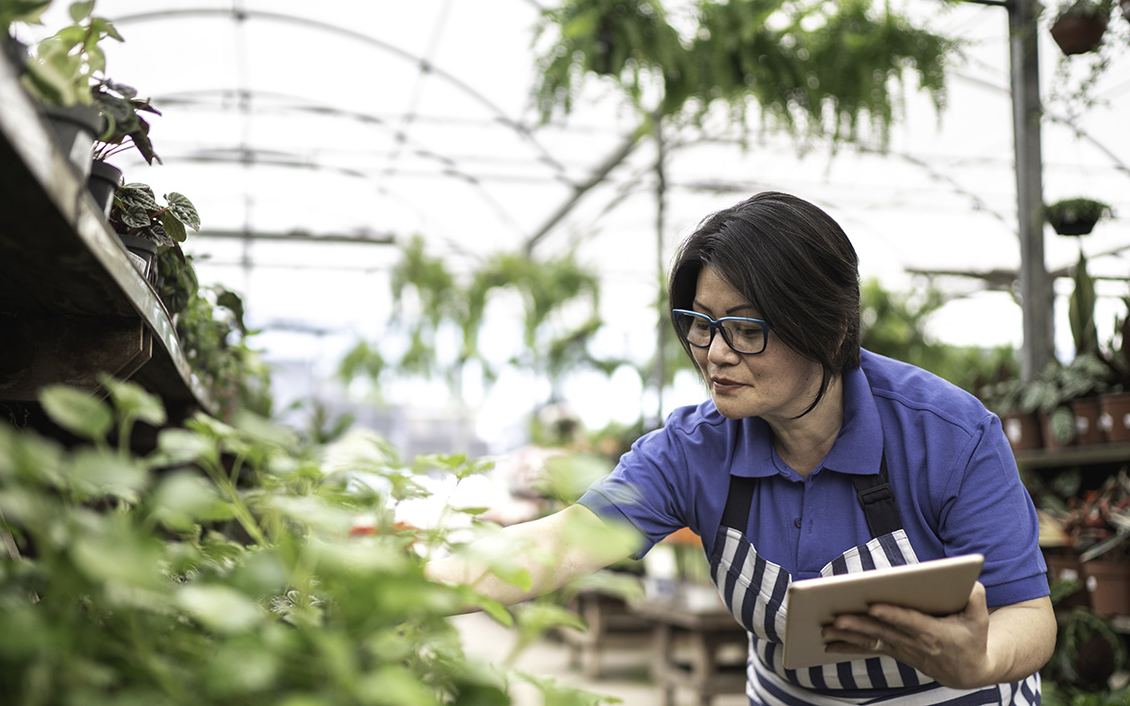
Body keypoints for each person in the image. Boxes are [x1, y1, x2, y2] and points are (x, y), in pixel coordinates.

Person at [426, 191, 1056, 706]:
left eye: (748, 329)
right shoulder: (694, 449)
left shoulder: (947, 434)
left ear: (830, 327)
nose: (716, 353)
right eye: (702, 324)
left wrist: (981, 659)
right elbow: (557, 543)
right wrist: (409, 584)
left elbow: (1029, 613)